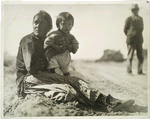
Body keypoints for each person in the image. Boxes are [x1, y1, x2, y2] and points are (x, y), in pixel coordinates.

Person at [16, 10, 134, 113]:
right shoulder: (29, 41)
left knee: (71, 88)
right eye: (36, 22)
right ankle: (105, 103)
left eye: (42, 23)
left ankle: (107, 102)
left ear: (48, 27)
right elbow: (32, 68)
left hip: (39, 78)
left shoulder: (43, 41)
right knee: (71, 85)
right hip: (28, 80)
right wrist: (51, 54)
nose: (38, 26)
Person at [44, 12, 79, 76]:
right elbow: (47, 42)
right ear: (58, 24)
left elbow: (76, 45)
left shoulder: (71, 37)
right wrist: (54, 46)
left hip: (65, 55)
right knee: (52, 61)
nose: (66, 27)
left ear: (72, 25)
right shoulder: (54, 34)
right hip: (54, 55)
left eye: (69, 24)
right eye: (64, 24)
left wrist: (70, 46)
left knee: (66, 65)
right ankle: (53, 69)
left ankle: (64, 72)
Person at [124, 4, 145, 75]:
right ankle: (129, 71)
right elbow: (125, 30)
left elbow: (142, 29)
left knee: (140, 56)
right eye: (133, 10)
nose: (135, 11)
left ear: (138, 10)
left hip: (139, 40)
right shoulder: (128, 19)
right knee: (130, 56)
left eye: (136, 10)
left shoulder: (141, 19)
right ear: (131, 11)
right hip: (131, 40)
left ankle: (140, 71)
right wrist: (130, 35)